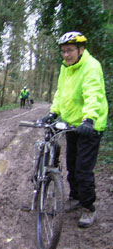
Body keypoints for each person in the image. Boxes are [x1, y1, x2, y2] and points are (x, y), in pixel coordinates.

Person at [40, 31, 108, 228]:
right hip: (72, 125)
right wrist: (54, 113)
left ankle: (89, 208)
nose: (66, 55)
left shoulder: (91, 66)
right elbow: (61, 93)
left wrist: (90, 119)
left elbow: (93, 94)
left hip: (89, 126)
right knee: (71, 164)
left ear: (81, 49)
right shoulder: (66, 68)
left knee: (83, 169)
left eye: (70, 50)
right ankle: (76, 197)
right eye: (63, 51)